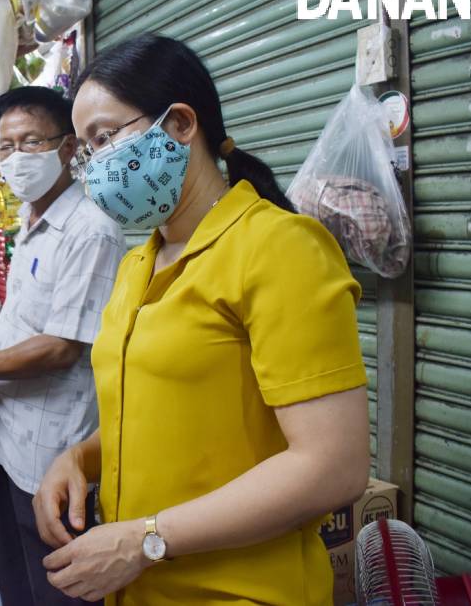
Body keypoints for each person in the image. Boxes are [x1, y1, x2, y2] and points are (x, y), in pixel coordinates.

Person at [32, 34, 371, 605]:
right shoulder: (139, 261)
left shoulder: (278, 248)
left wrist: (145, 541)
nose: (93, 168)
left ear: (181, 124)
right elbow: (153, 410)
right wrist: (78, 458)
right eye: (85, 153)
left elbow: (333, 467)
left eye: (104, 138)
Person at [0, 86, 126, 606]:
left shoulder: (90, 230)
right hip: (7, 441)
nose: (16, 159)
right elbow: (16, 324)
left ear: (67, 149)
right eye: (6, 148)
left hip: (53, 454)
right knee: (17, 582)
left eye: (30, 143)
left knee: (57, 586)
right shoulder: (30, 226)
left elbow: (60, 347)